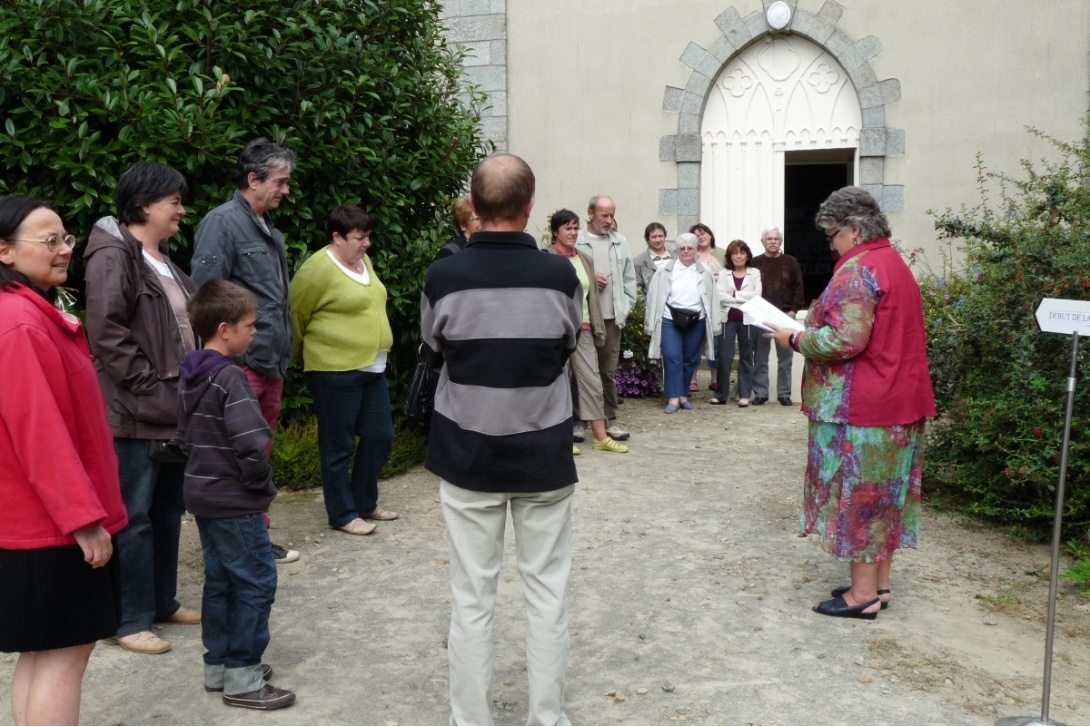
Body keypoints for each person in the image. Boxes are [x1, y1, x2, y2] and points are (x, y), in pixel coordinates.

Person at [421, 153, 581, 725]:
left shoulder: (443, 277)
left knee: (472, 598)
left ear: (477, 205)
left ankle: (470, 721)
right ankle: (548, 718)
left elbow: (436, 349)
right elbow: (564, 347)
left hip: (467, 454)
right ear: (531, 207)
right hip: (543, 455)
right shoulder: (561, 274)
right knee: (547, 595)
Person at [764, 187, 936, 619]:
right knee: (886, 496)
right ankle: (878, 586)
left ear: (854, 230)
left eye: (833, 234)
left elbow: (846, 339)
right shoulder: (892, 262)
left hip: (865, 406)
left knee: (862, 496)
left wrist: (795, 338)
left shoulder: (858, 271)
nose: (830, 243)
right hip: (898, 399)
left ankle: (862, 599)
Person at [0, 196, 128, 725]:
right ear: (4, 251)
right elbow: (41, 435)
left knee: (44, 654)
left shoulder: (26, 311)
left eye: (65, 238)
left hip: (34, 523)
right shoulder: (20, 323)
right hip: (51, 527)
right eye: (48, 241)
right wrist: (84, 520)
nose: (63, 250)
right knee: (64, 657)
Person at [83, 162, 201, 655]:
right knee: (133, 516)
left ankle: (160, 602)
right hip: (135, 414)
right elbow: (108, 333)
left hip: (170, 410)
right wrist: (151, 389)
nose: (181, 209)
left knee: (168, 510)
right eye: (173, 200)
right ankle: (127, 620)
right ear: (144, 204)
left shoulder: (161, 257)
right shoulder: (113, 257)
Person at [177, 279, 296, 710]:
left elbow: (184, 438)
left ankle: (220, 665)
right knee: (256, 581)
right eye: (250, 325)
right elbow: (251, 442)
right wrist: (261, 488)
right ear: (225, 329)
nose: (255, 332)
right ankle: (244, 676)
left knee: (221, 580)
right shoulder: (231, 377)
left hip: (204, 495)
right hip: (234, 500)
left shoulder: (192, 371)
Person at [191, 138, 299, 565]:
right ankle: (238, 539)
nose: (285, 190)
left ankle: (254, 533)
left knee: (258, 451)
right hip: (240, 365)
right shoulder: (221, 223)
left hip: (269, 360)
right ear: (253, 180)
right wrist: (225, 364)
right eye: (280, 182)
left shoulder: (266, 227)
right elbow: (207, 296)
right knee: (237, 453)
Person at [290, 205, 399, 536]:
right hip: (333, 370)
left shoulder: (364, 261)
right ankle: (342, 513)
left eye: (368, 236)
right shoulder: (316, 270)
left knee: (380, 435)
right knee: (337, 445)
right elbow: (297, 314)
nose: (366, 244)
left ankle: (365, 501)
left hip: (372, 367)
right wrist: (301, 356)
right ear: (337, 237)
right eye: (359, 237)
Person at [546, 209, 629, 455]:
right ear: (555, 232)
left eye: (575, 228)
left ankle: (600, 437)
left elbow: (590, 296)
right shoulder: (547, 258)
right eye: (567, 228)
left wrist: (596, 326)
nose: (572, 233)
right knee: (558, 383)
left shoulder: (583, 258)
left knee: (592, 381)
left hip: (582, 328)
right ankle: (560, 438)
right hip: (556, 332)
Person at [574, 195, 636, 443]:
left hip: (611, 318)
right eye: (604, 215)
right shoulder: (576, 241)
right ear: (590, 213)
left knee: (607, 372)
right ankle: (578, 422)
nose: (610, 220)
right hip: (584, 318)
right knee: (580, 371)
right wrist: (588, 279)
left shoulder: (620, 242)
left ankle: (610, 420)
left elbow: (630, 280)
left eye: (612, 215)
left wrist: (625, 308)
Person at [644, 232, 720, 414]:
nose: (686, 251)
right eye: (682, 248)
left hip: (697, 319)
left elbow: (713, 299)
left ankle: (683, 394)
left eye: (690, 248)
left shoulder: (706, 271)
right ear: (676, 250)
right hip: (670, 318)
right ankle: (673, 396)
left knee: (690, 358)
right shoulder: (664, 270)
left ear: (696, 250)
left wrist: (715, 323)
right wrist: (650, 322)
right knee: (671, 355)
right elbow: (653, 297)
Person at [749, 226, 804, 406]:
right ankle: (760, 393)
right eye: (769, 239)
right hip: (761, 318)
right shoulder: (754, 263)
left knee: (785, 359)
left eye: (776, 239)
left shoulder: (791, 262)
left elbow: (799, 288)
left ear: (780, 241)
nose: (772, 241)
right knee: (761, 358)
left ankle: (784, 394)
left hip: (785, 317)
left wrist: (793, 311)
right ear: (762, 242)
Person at [711, 239, 762, 407]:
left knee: (747, 357)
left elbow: (757, 296)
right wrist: (742, 297)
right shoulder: (724, 273)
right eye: (735, 253)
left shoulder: (754, 273)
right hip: (727, 320)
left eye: (742, 252)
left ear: (747, 255)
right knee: (725, 358)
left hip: (747, 320)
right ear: (729, 256)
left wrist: (733, 294)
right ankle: (721, 394)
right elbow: (720, 296)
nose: (738, 256)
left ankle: (744, 394)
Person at [689, 223, 724, 392]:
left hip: (716, 305)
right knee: (693, 343)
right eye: (696, 235)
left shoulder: (722, 254)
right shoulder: (690, 255)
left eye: (703, 233)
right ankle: (693, 379)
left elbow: (729, 277)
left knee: (715, 343)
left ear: (710, 236)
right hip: (695, 305)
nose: (700, 237)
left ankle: (715, 379)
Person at [434, 194, 480, 261]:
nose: (483, 222)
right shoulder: (449, 253)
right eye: (477, 219)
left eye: (484, 218)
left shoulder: (487, 247)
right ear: (462, 225)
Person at [633, 221, 673, 296]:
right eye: (654, 237)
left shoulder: (676, 256)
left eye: (660, 236)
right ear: (647, 239)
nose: (658, 240)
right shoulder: (638, 262)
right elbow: (637, 289)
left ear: (665, 237)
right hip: (652, 305)